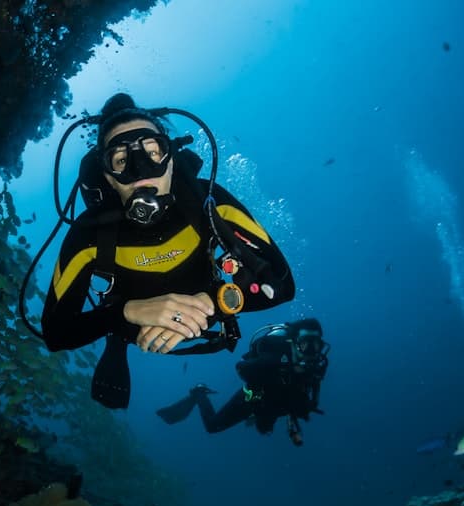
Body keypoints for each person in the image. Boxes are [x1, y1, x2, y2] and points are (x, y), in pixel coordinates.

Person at [39, 93, 295, 407]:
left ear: (171, 158)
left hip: (208, 307)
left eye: (152, 151)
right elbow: (56, 333)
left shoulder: (210, 203)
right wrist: (126, 313)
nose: (140, 170)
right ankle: (117, 341)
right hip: (130, 326)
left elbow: (282, 284)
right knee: (116, 330)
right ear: (107, 176)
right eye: (120, 160)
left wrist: (213, 302)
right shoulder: (88, 235)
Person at [156, 318, 330, 446]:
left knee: (264, 429)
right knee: (213, 426)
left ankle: (263, 418)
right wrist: (274, 368)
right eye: (306, 345)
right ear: (293, 343)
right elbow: (241, 367)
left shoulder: (315, 367)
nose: (312, 353)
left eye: (317, 346)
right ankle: (199, 392)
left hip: (277, 403)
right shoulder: (274, 353)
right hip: (254, 398)